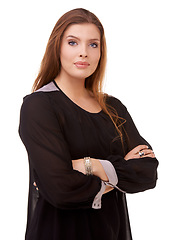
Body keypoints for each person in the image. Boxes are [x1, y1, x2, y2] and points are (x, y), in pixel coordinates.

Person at [19, 8, 159, 240]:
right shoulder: (38, 107)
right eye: (73, 42)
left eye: (93, 44)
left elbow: (147, 171)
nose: (84, 53)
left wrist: (89, 165)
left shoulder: (113, 107)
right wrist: (117, 177)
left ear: (101, 52)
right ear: (57, 47)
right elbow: (60, 188)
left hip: (110, 232)